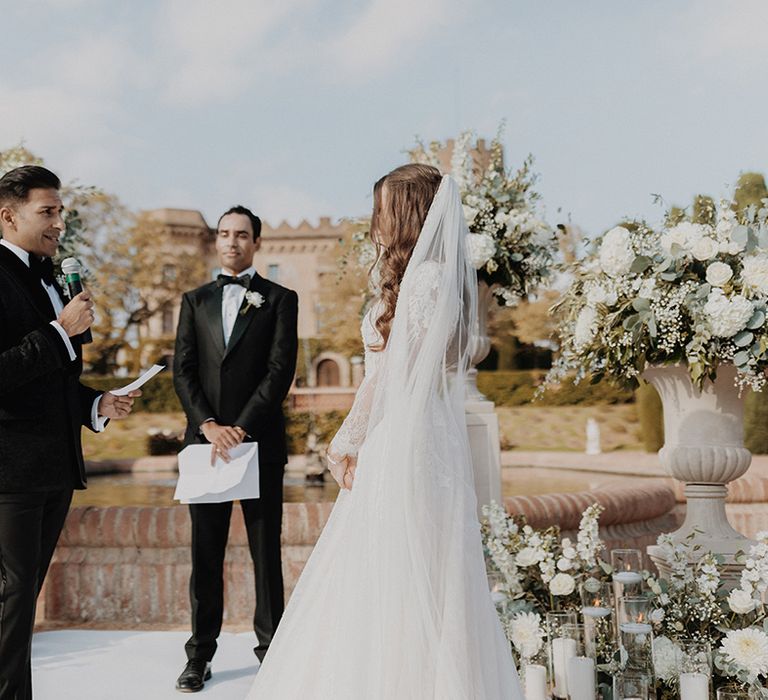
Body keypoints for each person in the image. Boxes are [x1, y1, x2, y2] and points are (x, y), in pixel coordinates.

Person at [247, 164, 523, 699]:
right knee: (401, 565)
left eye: (382, 209)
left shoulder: (427, 279)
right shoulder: (423, 276)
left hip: (405, 436)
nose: (374, 221)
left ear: (406, 212)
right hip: (412, 431)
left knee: (402, 566)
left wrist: (347, 437)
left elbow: (396, 373)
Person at [0, 165, 140, 700]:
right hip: (10, 468)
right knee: (12, 600)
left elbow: (56, 378)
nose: (61, 221)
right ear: (9, 215)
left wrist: (95, 403)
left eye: (62, 211)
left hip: (54, 468)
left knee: (21, 600)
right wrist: (59, 333)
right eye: (48, 211)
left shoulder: (51, 275)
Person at [173, 205, 298, 693]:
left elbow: (279, 371)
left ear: (256, 243)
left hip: (259, 444)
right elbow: (182, 369)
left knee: (265, 554)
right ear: (217, 241)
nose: (232, 242)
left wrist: (240, 428)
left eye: (242, 235)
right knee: (205, 555)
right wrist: (207, 425)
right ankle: (199, 656)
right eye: (224, 234)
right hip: (206, 448)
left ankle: (273, 652)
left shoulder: (281, 299)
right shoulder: (194, 300)